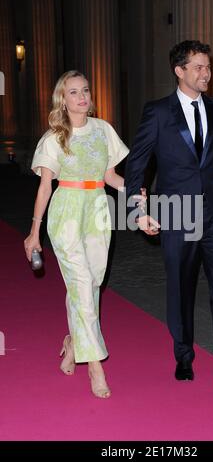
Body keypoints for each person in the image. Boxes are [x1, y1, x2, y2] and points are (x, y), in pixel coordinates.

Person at [125, 40, 213, 389]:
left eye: (209, 67)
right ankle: (183, 356)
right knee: (181, 289)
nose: (207, 73)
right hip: (178, 213)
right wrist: (137, 210)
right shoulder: (158, 112)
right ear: (180, 71)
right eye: (199, 67)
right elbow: (137, 164)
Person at [24, 70, 144, 398]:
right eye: (74, 92)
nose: (82, 97)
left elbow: (110, 176)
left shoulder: (103, 130)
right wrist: (34, 232)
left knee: (91, 284)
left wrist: (134, 192)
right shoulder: (53, 138)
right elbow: (45, 185)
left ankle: (73, 343)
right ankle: (95, 366)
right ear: (62, 100)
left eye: (85, 91)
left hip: (97, 210)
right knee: (79, 282)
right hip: (66, 212)